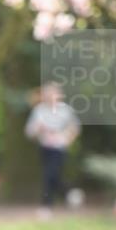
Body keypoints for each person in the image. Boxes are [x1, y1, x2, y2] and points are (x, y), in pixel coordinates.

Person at [25, 82, 81, 215]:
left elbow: (75, 128)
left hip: (59, 148)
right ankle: (70, 193)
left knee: (49, 175)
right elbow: (29, 132)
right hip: (45, 148)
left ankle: (46, 206)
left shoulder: (65, 110)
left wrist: (66, 140)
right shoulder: (39, 111)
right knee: (53, 177)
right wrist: (37, 129)